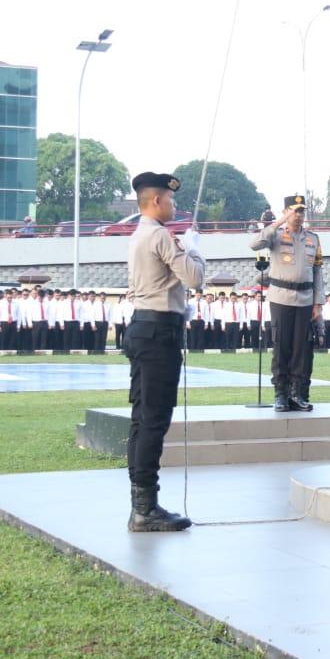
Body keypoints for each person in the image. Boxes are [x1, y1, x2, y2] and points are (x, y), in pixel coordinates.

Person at [123, 171, 205, 532]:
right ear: (156, 200)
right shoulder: (159, 235)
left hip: (145, 327)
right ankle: (145, 509)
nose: (174, 205)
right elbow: (194, 278)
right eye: (170, 199)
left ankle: (142, 503)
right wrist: (193, 248)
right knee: (154, 420)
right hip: (159, 333)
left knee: (142, 420)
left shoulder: (139, 234)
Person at [250, 194, 324, 412]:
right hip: (281, 297)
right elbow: (254, 244)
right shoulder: (275, 235)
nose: (298, 215)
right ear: (285, 212)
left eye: (301, 211)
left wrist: (318, 303)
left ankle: (298, 394)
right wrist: (278, 223)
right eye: (294, 211)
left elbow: (317, 272)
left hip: (305, 299)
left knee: (303, 349)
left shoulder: (313, 239)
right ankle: (281, 394)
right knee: (281, 346)